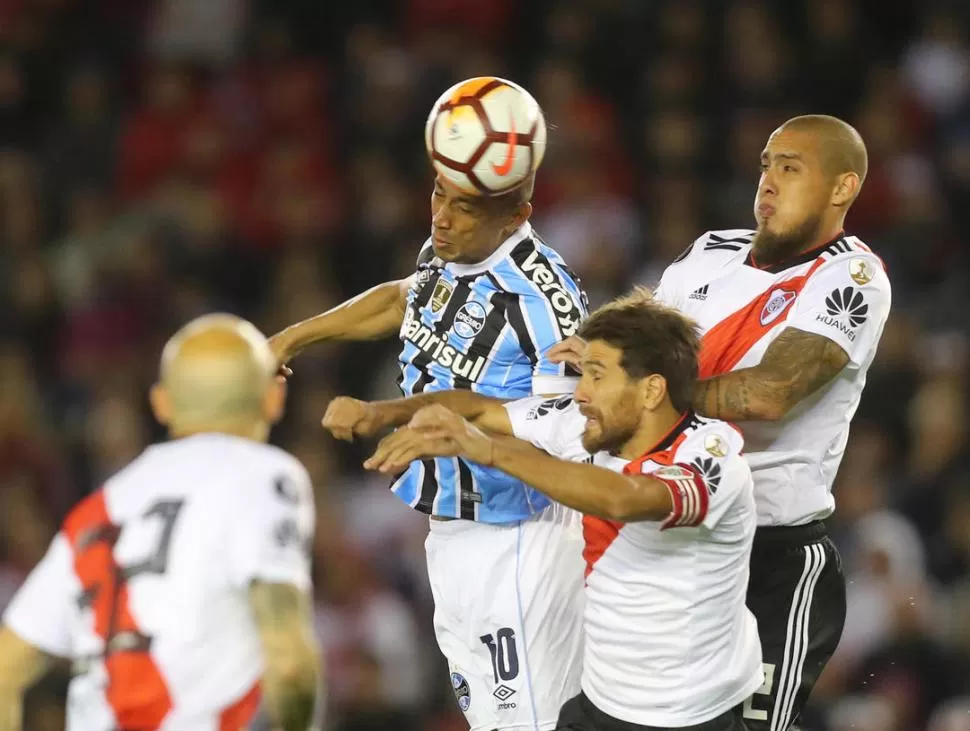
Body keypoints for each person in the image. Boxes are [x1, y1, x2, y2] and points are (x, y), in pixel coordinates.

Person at [550, 114, 893, 731]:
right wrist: (595, 353)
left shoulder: (850, 277)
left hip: (769, 556)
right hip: (665, 540)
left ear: (842, 189)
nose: (768, 180)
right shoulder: (711, 250)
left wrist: (644, 391)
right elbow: (635, 350)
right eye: (766, 165)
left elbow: (772, 391)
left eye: (791, 168)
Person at [273, 77, 589, 730]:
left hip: (521, 536)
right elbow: (405, 297)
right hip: (449, 529)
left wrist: (385, 412)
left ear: (516, 212)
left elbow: (572, 435)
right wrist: (294, 335)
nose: (441, 216)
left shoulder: (546, 306)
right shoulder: (445, 251)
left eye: (464, 206)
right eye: (439, 193)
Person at [326, 290, 763, 731]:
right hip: (599, 703)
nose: (581, 394)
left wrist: (490, 452)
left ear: (651, 389)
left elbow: (625, 498)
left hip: (682, 716)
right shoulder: (587, 426)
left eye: (596, 376)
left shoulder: (712, 453)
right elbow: (479, 409)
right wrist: (383, 412)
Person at [0, 315, 320, 731]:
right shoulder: (263, 474)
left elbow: (8, 664)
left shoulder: (97, 510)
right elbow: (289, 660)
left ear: (161, 403)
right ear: (273, 399)